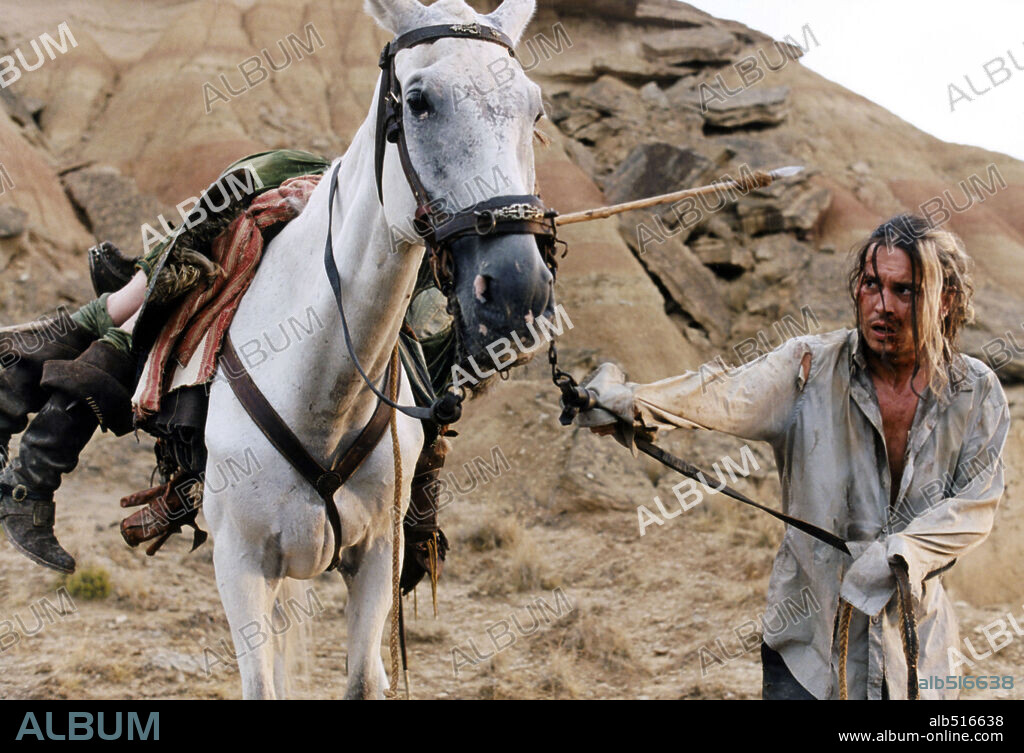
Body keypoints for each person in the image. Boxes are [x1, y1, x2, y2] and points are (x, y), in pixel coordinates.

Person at [577, 214, 1010, 699]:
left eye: (904, 291)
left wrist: (902, 553)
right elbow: (723, 394)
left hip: (915, 657)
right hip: (809, 650)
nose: (882, 306)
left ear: (945, 300)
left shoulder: (975, 392)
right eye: (871, 284)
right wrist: (630, 403)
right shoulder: (808, 368)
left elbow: (977, 504)